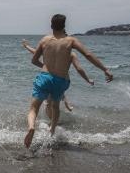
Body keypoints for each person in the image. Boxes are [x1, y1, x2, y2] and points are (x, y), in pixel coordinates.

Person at [25, 14, 113, 148]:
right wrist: (105, 69)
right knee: (55, 106)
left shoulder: (44, 40)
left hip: (45, 77)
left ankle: (31, 127)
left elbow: (34, 60)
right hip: (61, 80)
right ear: (64, 26)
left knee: (33, 107)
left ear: (51, 25)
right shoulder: (70, 41)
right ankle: (52, 131)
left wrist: (45, 67)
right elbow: (88, 55)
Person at [22, 39, 94, 112]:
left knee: (50, 101)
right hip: (61, 79)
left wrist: (27, 47)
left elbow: (35, 53)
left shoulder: (50, 52)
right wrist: (87, 79)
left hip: (49, 78)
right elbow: (79, 69)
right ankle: (64, 108)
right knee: (59, 93)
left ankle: (54, 117)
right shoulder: (69, 53)